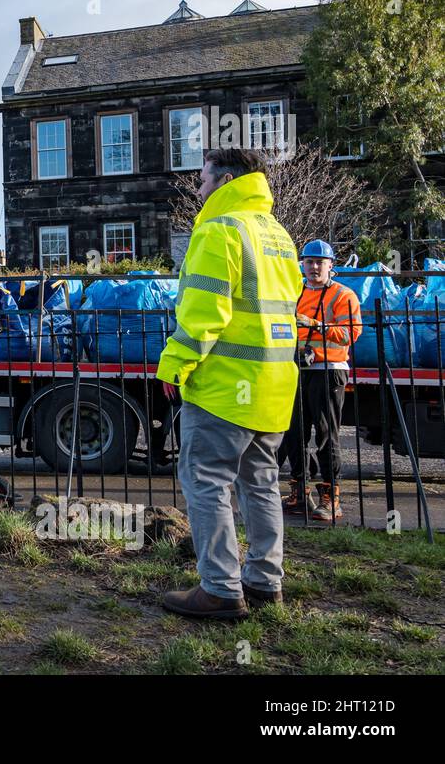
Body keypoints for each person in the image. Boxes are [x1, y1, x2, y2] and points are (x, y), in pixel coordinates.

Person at [157, 148, 302, 619]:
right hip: (273, 384)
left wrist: (174, 365)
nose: (197, 192)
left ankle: (220, 588)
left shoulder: (220, 231)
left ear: (225, 181)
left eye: (201, 182)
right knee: (260, 482)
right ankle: (264, 581)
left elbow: (203, 313)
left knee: (205, 480)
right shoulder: (278, 235)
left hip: (225, 385)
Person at [281, 240, 362, 521]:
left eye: (320, 262)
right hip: (297, 368)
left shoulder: (343, 295)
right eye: (309, 262)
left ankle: (331, 497)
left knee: (326, 433)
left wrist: (316, 325)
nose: (314, 267)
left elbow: (350, 334)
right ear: (302, 264)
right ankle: (299, 491)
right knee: (294, 433)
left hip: (329, 369)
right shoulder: (295, 292)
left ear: (331, 265)